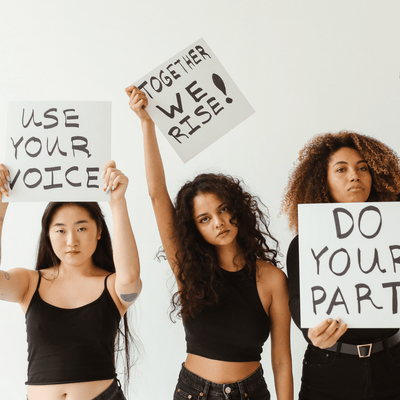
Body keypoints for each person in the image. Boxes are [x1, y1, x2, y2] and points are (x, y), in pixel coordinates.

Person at [125, 86, 293, 400]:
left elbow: (282, 359)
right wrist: (147, 125)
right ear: (194, 229)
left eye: (223, 210)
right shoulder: (187, 268)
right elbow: (157, 194)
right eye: (205, 219)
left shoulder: (271, 278)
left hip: (250, 393)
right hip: (194, 392)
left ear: (237, 211)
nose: (218, 222)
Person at [0, 160, 141, 400]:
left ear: (98, 231)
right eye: (60, 230)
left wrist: (118, 202)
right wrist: (1, 204)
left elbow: (130, 277)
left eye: (82, 228)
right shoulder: (29, 282)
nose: (71, 241)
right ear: (48, 234)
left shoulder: (113, 285)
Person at [281, 131, 400, 400]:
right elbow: (301, 305)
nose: (354, 176)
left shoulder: (397, 235)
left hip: (392, 364)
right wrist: (312, 333)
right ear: (323, 181)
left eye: (362, 168)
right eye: (341, 169)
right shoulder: (304, 245)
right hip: (330, 370)